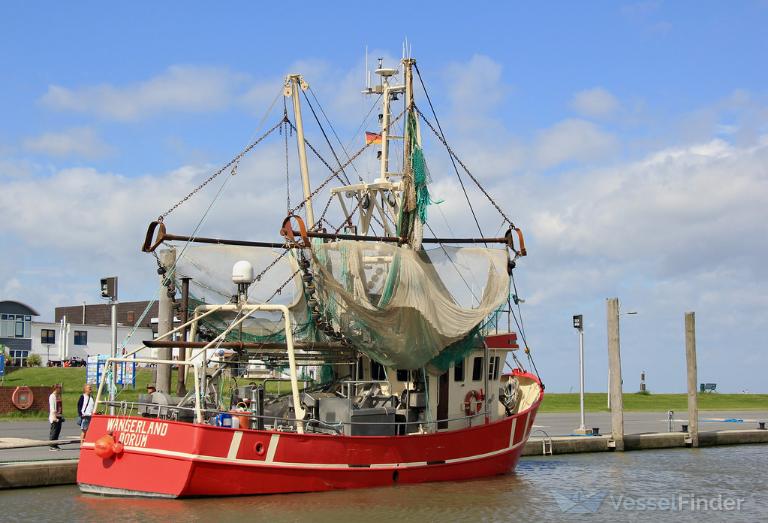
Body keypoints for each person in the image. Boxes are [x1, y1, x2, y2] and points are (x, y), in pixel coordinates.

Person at [48, 384, 64, 451]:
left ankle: (55, 444)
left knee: (57, 432)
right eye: (60, 388)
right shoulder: (52, 396)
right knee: (54, 432)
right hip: (54, 417)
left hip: (59, 416)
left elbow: (60, 406)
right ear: (56, 389)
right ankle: (52, 446)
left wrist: (61, 416)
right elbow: (52, 408)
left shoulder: (58, 396)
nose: (61, 390)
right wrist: (54, 417)